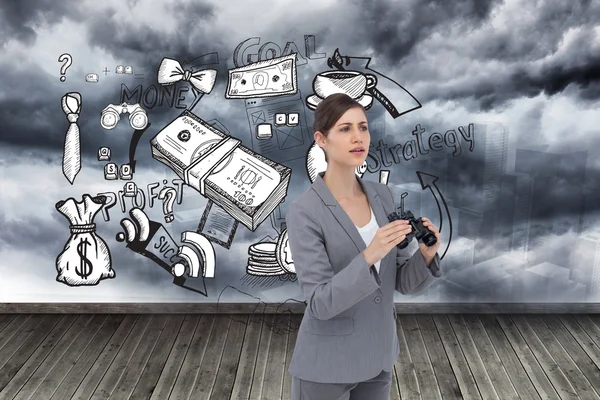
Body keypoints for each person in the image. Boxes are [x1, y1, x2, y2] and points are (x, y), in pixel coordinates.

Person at [285, 93, 443, 400]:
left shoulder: (382, 195)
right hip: (326, 365)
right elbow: (320, 302)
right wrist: (370, 254)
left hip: (378, 358)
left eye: (363, 127)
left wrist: (425, 256)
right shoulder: (304, 210)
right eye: (345, 129)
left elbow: (399, 282)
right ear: (322, 139)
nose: (358, 137)